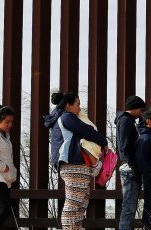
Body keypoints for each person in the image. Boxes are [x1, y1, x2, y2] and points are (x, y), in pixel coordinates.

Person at [45, 91, 109, 230]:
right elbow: (88, 131)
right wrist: (104, 142)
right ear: (68, 105)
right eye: (78, 105)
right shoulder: (67, 117)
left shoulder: (60, 117)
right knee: (74, 202)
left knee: (81, 202)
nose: (80, 108)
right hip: (73, 164)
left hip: (72, 165)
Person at [116, 95, 146, 230]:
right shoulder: (126, 122)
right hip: (129, 170)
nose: (142, 113)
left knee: (130, 207)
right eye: (141, 110)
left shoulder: (127, 121)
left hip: (130, 168)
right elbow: (124, 147)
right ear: (134, 109)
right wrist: (134, 167)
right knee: (129, 207)